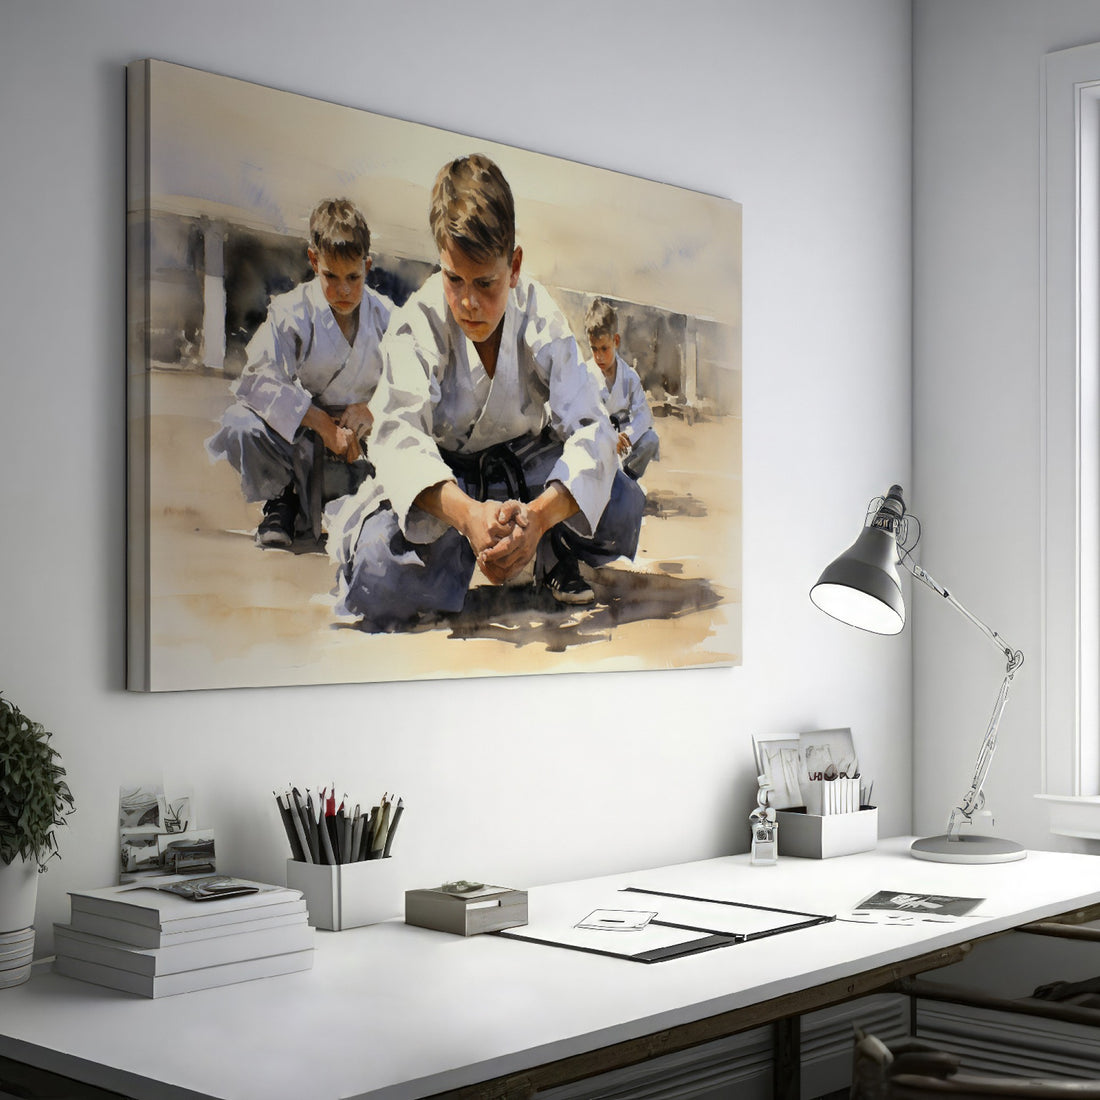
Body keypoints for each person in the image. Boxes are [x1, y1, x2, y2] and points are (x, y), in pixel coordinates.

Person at [326, 154, 645, 626]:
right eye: (454, 279)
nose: (469, 301)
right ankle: (470, 547)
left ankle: (546, 546)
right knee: (376, 569)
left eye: (486, 282)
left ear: (513, 266)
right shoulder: (419, 322)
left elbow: (590, 428)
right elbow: (399, 435)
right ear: (440, 264)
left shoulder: (538, 313)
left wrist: (537, 517)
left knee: (620, 505)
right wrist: (470, 517)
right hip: (448, 483)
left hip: (527, 471)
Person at [207, 198, 392, 548]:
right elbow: (255, 378)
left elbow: (415, 382)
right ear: (313, 261)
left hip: (362, 446)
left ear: (367, 266)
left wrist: (373, 411)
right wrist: (320, 423)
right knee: (239, 423)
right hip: (302, 441)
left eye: (354, 277)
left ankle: (363, 507)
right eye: (331, 276)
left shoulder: (386, 317)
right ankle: (282, 499)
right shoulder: (291, 310)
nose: (344, 290)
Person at [585, 298, 660, 481]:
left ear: (615, 341)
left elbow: (644, 415)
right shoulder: (585, 375)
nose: (599, 356)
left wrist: (626, 435)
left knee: (651, 439)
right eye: (594, 349)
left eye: (604, 348)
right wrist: (610, 438)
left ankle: (626, 479)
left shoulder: (629, 376)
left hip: (622, 446)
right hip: (597, 443)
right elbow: (585, 417)